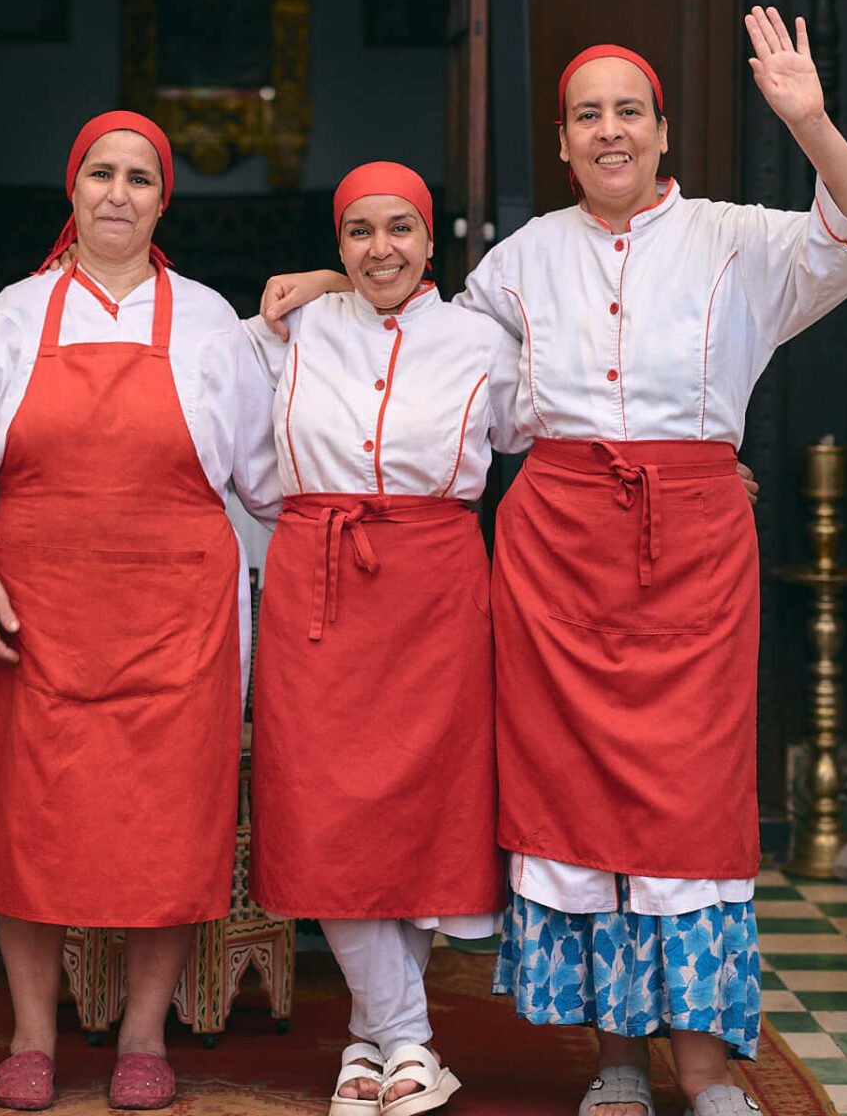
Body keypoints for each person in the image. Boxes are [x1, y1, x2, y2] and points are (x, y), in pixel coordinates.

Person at [262, 10, 847, 1116]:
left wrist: (810, 122)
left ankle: (706, 1070)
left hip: (692, 551)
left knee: (692, 810)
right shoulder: (518, 262)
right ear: (562, 141)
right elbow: (420, 332)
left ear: (663, 130)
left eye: (629, 113)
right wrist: (330, 280)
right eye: (587, 115)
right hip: (555, 558)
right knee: (578, 811)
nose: (610, 131)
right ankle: (615, 1062)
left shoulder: (737, 239)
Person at [0, 111, 279, 1112]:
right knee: (30, 818)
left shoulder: (211, 322)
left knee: (165, 821)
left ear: (162, 201)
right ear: (73, 187)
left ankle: (143, 1035)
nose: (118, 194)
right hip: (33, 611)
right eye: (101, 173)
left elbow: (266, 479)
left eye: (140, 178)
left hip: (176, 615)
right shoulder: (15, 314)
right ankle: (31, 1035)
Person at [239, 161, 520, 1116]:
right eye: (358, 232)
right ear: (338, 243)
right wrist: (321, 286)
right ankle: (407, 1038)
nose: (380, 248)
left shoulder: (485, 342)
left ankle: (374, 1041)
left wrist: (709, 463)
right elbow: (218, 414)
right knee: (327, 806)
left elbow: (554, 431)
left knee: (418, 808)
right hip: (316, 585)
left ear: (431, 239)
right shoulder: (293, 330)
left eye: (400, 228)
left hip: (439, 594)